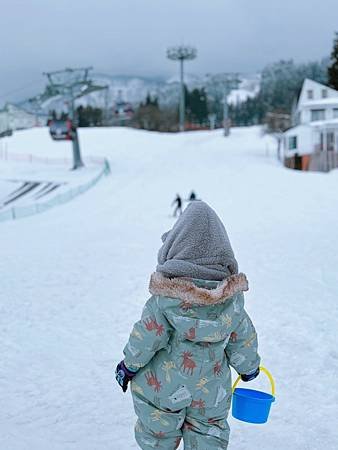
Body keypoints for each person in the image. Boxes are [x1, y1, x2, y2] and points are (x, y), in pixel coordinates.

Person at [115, 201, 260, 450]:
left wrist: (128, 366)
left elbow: (145, 337)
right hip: (210, 392)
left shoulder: (164, 301)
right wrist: (249, 368)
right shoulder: (231, 304)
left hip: (162, 388)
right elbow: (243, 340)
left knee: (157, 432)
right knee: (209, 432)